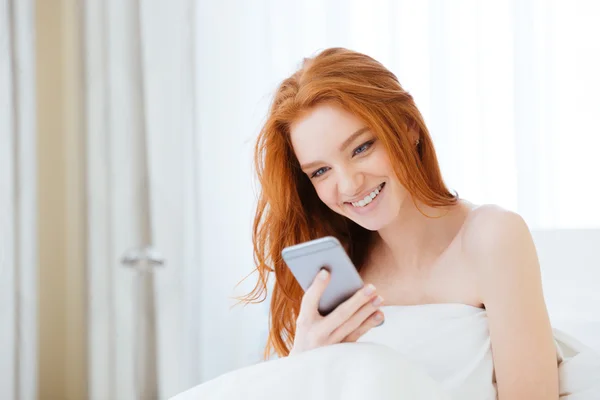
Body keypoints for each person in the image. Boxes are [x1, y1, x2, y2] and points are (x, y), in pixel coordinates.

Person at [172, 48, 599, 400]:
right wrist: (306, 360)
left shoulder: (491, 237)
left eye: (360, 148)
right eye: (320, 171)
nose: (348, 184)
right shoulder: (341, 267)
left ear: (408, 127)